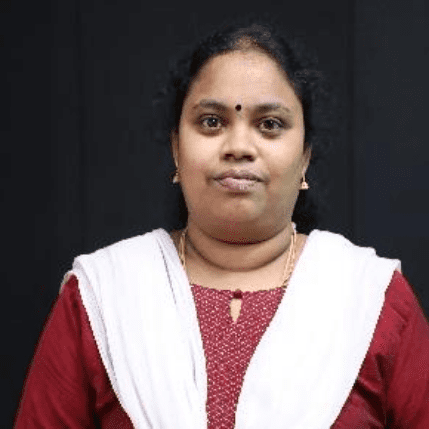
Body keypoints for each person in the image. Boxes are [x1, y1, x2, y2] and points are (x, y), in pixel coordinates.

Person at [14, 17, 429, 429]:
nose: (239, 147)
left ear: (305, 156)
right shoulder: (102, 296)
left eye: (270, 124)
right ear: (176, 148)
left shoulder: (370, 297)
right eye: (212, 121)